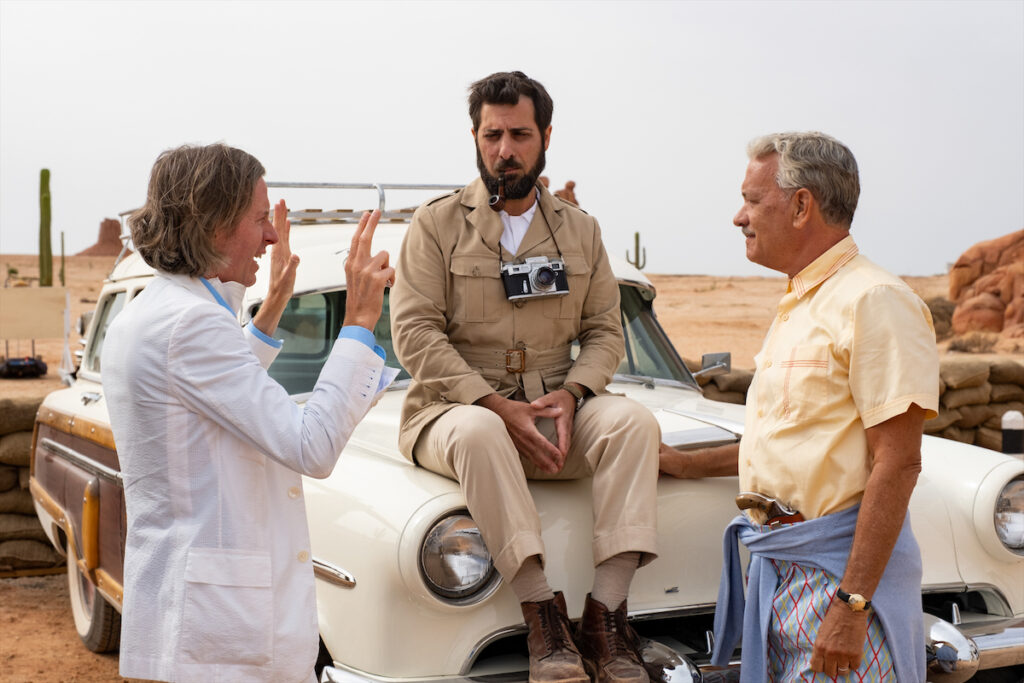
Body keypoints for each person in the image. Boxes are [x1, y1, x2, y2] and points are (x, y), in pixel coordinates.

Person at [389, 71, 660, 683]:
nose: (504, 149)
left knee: (633, 423)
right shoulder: (435, 225)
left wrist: (572, 392)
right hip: (451, 411)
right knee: (481, 431)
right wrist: (490, 402)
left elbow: (604, 332)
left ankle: (607, 617)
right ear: (475, 136)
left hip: (553, 405)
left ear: (544, 138)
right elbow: (415, 334)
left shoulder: (581, 230)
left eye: (519, 134)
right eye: (492, 135)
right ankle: (542, 614)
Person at [102, 143, 397, 682]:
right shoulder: (190, 325)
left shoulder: (158, 309)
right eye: (259, 219)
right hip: (223, 632)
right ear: (213, 224)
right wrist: (358, 318)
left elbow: (211, 401)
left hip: (201, 617)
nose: (270, 235)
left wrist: (274, 305)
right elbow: (312, 445)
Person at [660, 132, 939, 682]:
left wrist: (852, 606)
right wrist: (687, 464)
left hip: (836, 579)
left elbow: (898, 461)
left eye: (752, 200)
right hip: (782, 570)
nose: (739, 217)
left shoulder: (873, 300)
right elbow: (796, 440)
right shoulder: (800, 305)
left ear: (801, 205)